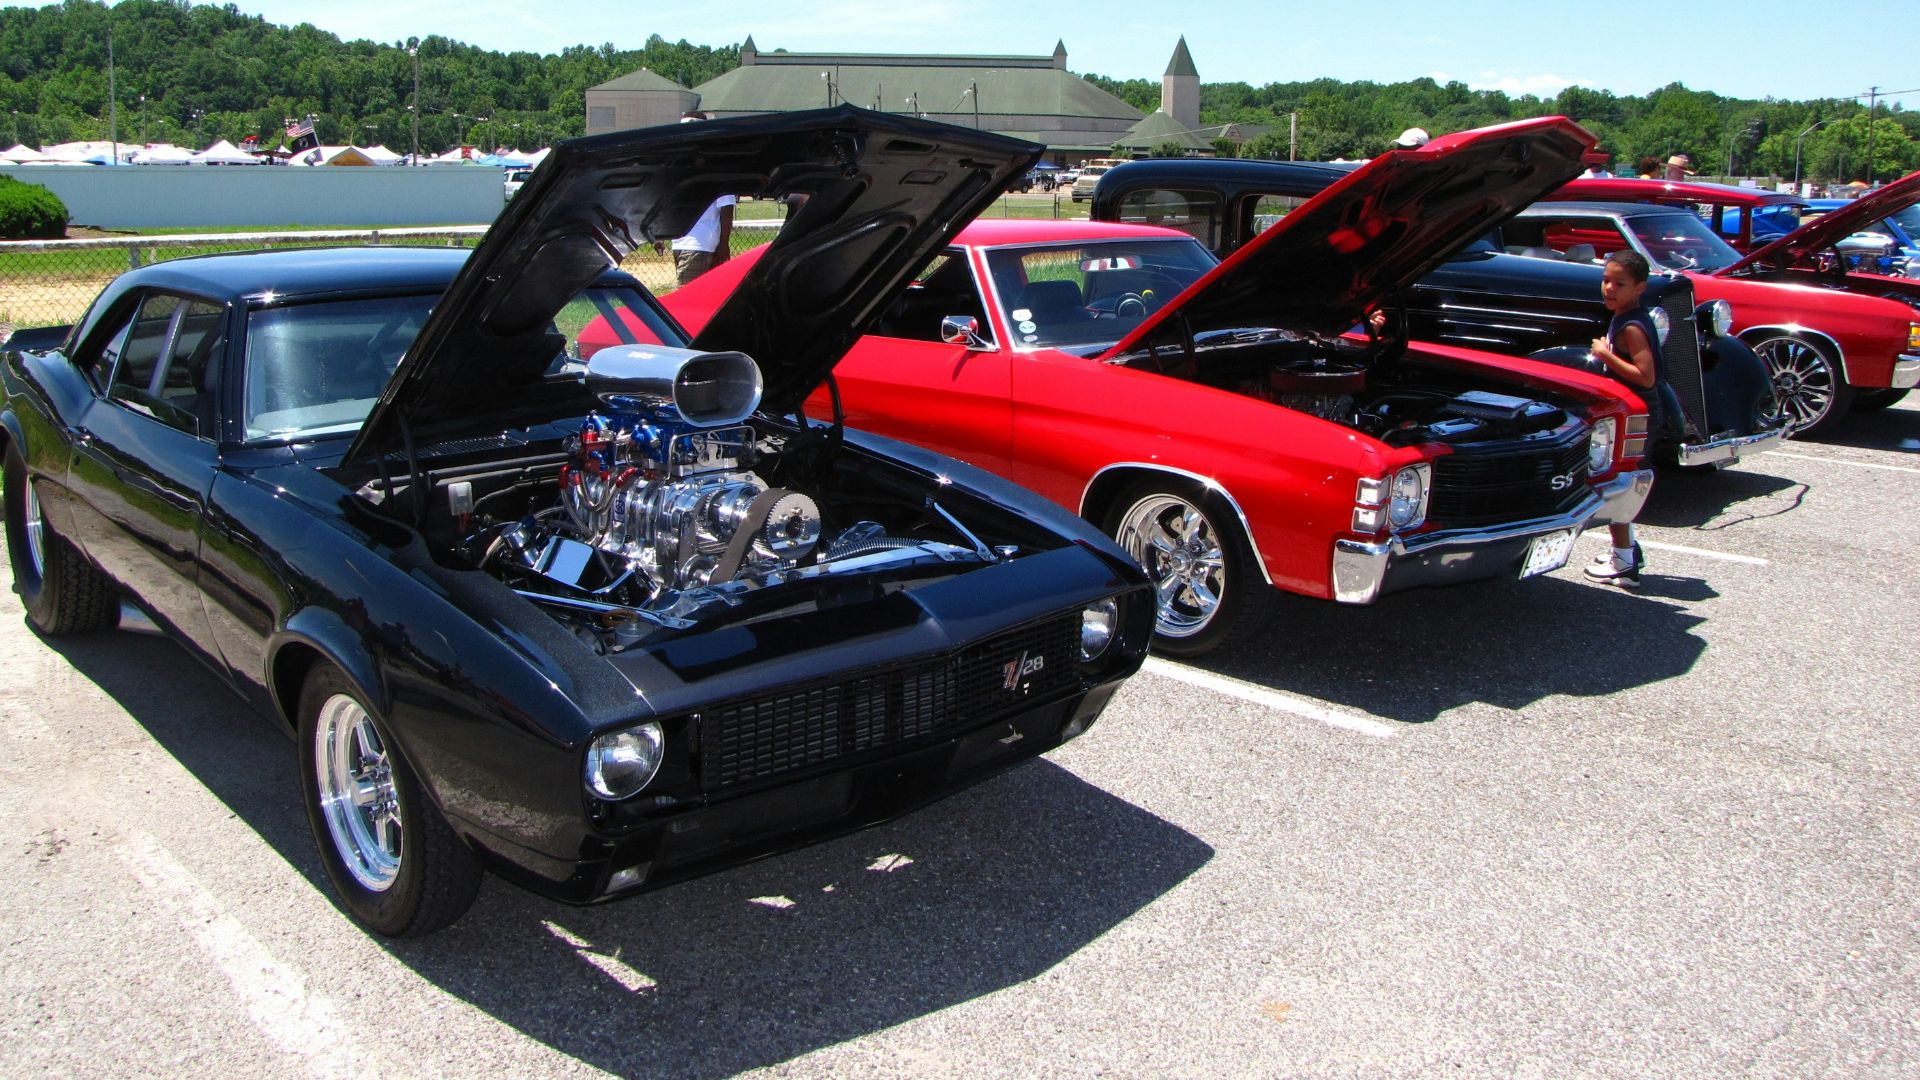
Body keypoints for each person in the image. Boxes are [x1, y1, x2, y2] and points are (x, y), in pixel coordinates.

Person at [1584, 250, 1662, 586]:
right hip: (1629, 411)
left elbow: (1646, 376)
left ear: (1640, 287)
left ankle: (1624, 560)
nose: (1609, 289)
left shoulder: (1632, 326)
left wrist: (1604, 355)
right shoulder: (1624, 316)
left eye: (1619, 283)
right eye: (1606, 280)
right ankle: (1626, 549)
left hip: (1638, 414)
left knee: (1618, 484)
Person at [670, 112, 735, 286]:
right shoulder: (680, 165)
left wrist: (723, 245)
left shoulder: (716, 166)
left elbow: (727, 208)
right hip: (679, 241)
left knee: (684, 299)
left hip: (700, 243)